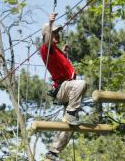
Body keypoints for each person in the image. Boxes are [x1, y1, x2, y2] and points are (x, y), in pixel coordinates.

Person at [40, 13, 87, 161]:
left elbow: (63, 69)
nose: (58, 35)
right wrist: (49, 22)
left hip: (67, 89)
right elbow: (47, 41)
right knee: (81, 84)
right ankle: (72, 113)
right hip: (63, 89)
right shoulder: (46, 49)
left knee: (69, 125)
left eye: (58, 32)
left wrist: (65, 55)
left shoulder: (57, 50)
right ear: (48, 34)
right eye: (55, 33)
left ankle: (53, 152)